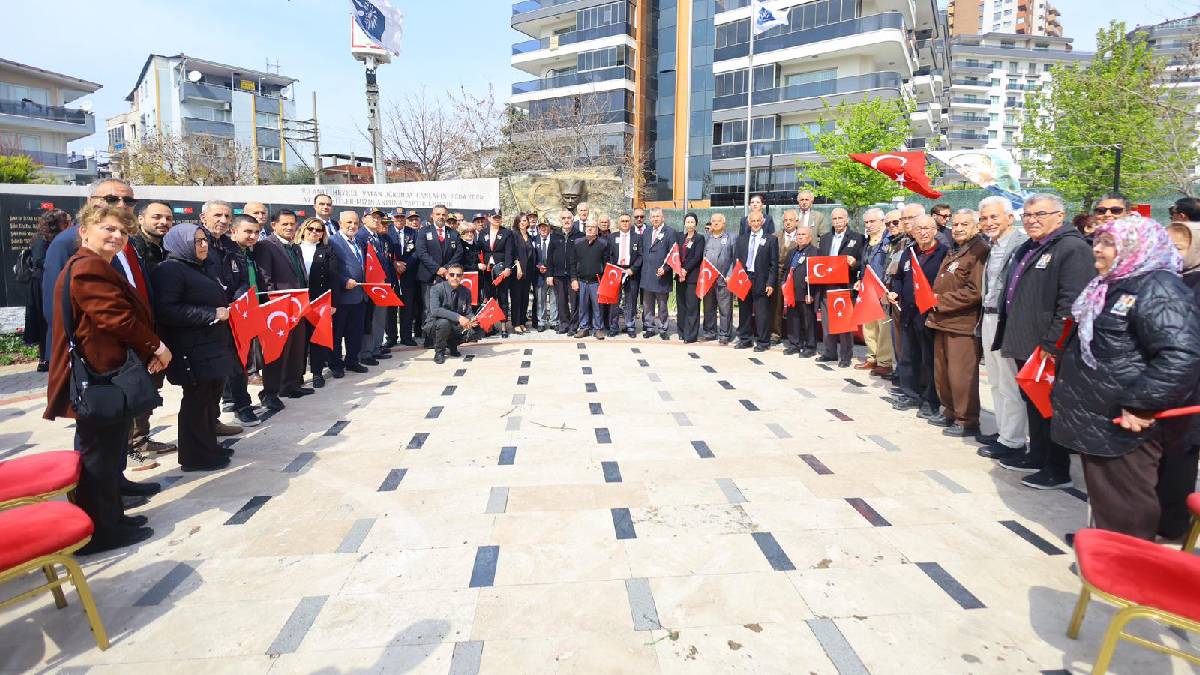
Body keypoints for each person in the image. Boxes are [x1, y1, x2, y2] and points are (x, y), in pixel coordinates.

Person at [1051, 215, 1200, 539]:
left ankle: (1128, 572)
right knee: (1107, 494)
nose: (1098, 249)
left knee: (1127, 500)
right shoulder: (1112, 283)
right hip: (1099, 413)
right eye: (1099, 241)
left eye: (1109, 243)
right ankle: (1105, 546)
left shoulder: (1159, 287)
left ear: (1137, 246)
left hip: (1126, 420)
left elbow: (1181, 355)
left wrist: (1142, 404)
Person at [45, 204, 167, 554]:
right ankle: (98, 532)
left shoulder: (100, 265)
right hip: (98, 376)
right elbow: (116, 319)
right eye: (108, 229)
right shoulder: (87, 268)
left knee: (111, 450)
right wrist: (156, 346)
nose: (116, 236)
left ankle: (113, 516)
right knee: (97, 457)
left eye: (122, 232)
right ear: (84, 230)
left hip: (108, 372)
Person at [993, 194, 1096, 490]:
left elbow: (1072, 304)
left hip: (1050, 347)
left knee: (1050, 408)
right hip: (1027, 341)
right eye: (1027, 215)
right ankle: (1037, 455)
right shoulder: (1031, 246)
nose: (1032, 220)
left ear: (1059, 216)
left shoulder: (1072, 248)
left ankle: (1057, 469)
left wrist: (1052, 345)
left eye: (1040, 214)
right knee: (1033, 404)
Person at [151, 224, 240, 473]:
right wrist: (211, 313)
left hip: (212, 343)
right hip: (191, 347)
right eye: (197, 241)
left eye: (204, 241)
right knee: (197, 401)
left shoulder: (201, 266)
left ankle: (208, 445)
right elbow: (167, 310)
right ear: (181, 243)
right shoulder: (169, 270)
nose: (204, 245)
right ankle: (195, 456)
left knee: (211, 397)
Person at [925, 210, 990, 437]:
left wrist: (939, 300)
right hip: (942, 321)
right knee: (943, 372)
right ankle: (950, 411)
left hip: (962, 323)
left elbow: (975, 291)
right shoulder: (955, 248)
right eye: (956, 224)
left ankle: (967, 420)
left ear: (976, 227)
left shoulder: (979, 250)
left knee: (961, 374)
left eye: (964, 224)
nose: (959, 228)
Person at [977, 196, 1031, 460]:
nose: (989, 223)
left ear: (1010, 217)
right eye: (984, 218)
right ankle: (1003, 431)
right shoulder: (992, 246)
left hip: (1006, 320)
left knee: (1009, 382)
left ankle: (1013, 439)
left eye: (994, 217)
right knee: (996, 381)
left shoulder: (1021, 245)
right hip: (987, 318)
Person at [888, 215, 948, 416]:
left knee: (929, 359)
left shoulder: (943, 253)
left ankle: (930, 399)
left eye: (927, 228)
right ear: (913, 232)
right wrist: (894, 291)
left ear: (935, 231)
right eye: (919, 228)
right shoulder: (909, 251)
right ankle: (910, 394)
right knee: (908, 356)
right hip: (908, 314)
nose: (923, 232)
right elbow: (898, 277)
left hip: (929, 315)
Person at [255, 209, 313, 405]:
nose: (289, 227)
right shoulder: (265, 246)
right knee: (276, 351)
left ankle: (291, 386)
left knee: (296, 348)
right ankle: (270, 393)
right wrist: (273, 306)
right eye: (285, 224)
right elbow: (266, 279)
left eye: (292, 224)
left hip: (298, 306)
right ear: (274, 225)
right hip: (278, 309)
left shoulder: (295, 247)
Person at [815, 208, 863, 367]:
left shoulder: (858, 238)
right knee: (827, 323)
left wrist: (854, 263)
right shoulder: (826, 238)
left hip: (845, 286)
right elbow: (820, 261)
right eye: (834, 218)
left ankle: (845, 357)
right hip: (826, 285)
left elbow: (863, 263)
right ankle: (829, 353)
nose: (837, 221)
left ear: (847, 220)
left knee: (844, 324)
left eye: (840, 218)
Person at [25, 209, 71, 371]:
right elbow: (38, 261)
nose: (70, 224)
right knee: (45, 321)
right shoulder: (41, 239)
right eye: (66, 221)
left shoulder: (58, 238)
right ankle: (45, 359)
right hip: (41, 284)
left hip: (51, 281)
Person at [329, 211, 369, 376]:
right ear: (340, 223)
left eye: (355, 223)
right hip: (342, 296)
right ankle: (336, 365)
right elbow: (329, 269)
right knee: (337, 334)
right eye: (349, 222)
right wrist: (343, 281)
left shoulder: (359, 241)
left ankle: (352, 361)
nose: (353, 226)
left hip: (359, 295)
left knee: (355, 333)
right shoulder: (332, 241)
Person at [296, 217, 334, 388]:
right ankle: (298, 375)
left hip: (319, 301)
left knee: (317, 338)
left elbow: (333, 279)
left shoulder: (327, 250)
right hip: (298, 302)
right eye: (310, 228)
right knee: (299, 340)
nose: (314, 232)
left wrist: (333, 304)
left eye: (318, 230)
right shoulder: (294, 249)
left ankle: (317, 373)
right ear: (303, 229)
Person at [856, 208, 893, 375]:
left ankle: (885, 362)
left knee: (883, 327)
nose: (869, 225)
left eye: (872, 222)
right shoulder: (867, 242)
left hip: (883, 289)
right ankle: (872, 357)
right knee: (868, 326)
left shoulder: (888, 241)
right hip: (868, 290)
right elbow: (865, 265)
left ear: (882, 222)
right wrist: (860, 279)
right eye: (866, 222)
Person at [414, 205, 463, 335]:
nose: (441, 217)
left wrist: (446, 269)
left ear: (446, 216)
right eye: (438, 214)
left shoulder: (453, 233)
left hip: (447, 277)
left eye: (443, 215)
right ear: (432, 215)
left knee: (448, 307)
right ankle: (429, 338)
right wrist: (437, 269)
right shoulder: (423, 232)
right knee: (429, 308)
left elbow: (458, 253)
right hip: (428, 276)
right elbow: (421, 253)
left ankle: (447, 336)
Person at [734, 210, 778, 351]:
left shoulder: (771, 239)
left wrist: (770, 283)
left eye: (758, 221)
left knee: (761, 313)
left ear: (763, 222)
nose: (755, 223)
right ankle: (745, 339)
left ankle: (763, 342)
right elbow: (737, 262)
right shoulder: (741, 239)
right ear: (748, 222)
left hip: (761, 279)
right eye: (753, 221)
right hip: (744, 279)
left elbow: (774, 264)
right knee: (744, 311)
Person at [359, 210, 395, 363]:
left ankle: (376, 347)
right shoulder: (360, 236)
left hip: (382, 284)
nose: (376, 220)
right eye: (372, 217)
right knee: (369, 320)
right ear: (364, 219)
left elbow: (385, 261)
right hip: (369, 285)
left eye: (378, 217)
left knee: (380, 318)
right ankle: (367, 351)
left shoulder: (379, 237)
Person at [424, 264, 477, 364]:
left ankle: (453, 344)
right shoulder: (436, 289)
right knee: (444, 323)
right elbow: (435, 310)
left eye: (458, 275)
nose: (455, 278)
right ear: (447, 275)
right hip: (435, 324)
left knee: (477, 328)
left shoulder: (466, 291)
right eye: (452, 274)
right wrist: (459, 317)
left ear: (462, 277)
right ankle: (439, 351)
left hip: (454, 324)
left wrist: (473, 319)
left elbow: (468, 312)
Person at [640, 208, 677, 339]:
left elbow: (673, 254)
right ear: (650, 219)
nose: (655, 219)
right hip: (647, 274)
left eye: (658, 216)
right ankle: (649, 327)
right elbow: (642, 251)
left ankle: (663, 328)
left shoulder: (670, 232)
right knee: (647, 304)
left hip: (662, 275)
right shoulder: (646, 231)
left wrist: (666, 268)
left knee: (662, 305)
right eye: (653, 217)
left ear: (663, 218)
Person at [783, 225, 819, 356]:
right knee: (793, 319)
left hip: (806, 292)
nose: (800, 237)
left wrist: (813, 293)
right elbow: (786, 270)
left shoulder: (814, 252)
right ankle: (795, 344)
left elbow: (817, 273)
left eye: (803, 235)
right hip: (792, 292)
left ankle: (810, 347)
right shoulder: (792, 252)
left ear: (809, 237)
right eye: (798, 235)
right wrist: (783, 284)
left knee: (808, 321)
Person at [701, 213, 736, 344]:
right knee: (708, 308)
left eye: (718, 221)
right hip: (709, 279)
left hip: (724, 279)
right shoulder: (706, 238)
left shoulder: (732, 237)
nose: (715, 223)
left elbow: (735, 258)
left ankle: (724, 334)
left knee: (725, 309)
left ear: (724, 223)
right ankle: (710, 332)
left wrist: (730, 274)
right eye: (713, 221)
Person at [572, 221, 610, 339]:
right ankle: (584, 328)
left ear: (597, 229)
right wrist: (574, 279)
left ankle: (598, 328)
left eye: (593, 227)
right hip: (582, 281)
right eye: (588, 227)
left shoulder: (603, 244)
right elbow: (572, 263)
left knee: (598, 307)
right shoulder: (578, 243)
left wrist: (604, 279)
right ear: (585, 228)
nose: (590, 229)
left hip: (597, 281)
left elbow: (607, 262)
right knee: (582, 306)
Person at [480, 210, 515, 337]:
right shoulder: (483, 233)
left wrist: (508, 268)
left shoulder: (506, 232)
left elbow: (509, 252)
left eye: (499, 217)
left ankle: (504, 326)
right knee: (490, 298)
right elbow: (480, 250)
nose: (497, 219)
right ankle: (490, 326)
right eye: (494, 217)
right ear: (489, 218)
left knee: (503, 298)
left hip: (501, 270)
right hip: (487, 271)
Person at [607, 213, 642, 337]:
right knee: (614, 301)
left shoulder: (637, 237)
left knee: (630, 301)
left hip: (631, 272)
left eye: (627, 221)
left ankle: (630, 326)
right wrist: (614, 269)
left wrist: (633, 269)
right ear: (618, 223)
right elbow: (609, 255)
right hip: (615, 272)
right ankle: (613, 326)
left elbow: (640, 256)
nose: (625, 223)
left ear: (630, 222)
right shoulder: (612, 237)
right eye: (622, 221)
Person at [392, 211, 423, 346]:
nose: (399, 219)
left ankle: (406, 337)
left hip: (408, 274)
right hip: (392, 274)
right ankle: (391, 338)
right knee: (391, 308)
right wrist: (395, 264)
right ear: (393, 218)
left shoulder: (413, 232)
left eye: (401, 217)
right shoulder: (387, 232)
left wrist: (406, 264)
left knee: (407, 307)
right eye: (397, 217)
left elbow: (418, 251)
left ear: (405, 219)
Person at [676, 213, 706, 343]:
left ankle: (691, 335)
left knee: (692, 306)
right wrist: (679, 270)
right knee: (681, 305)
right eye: (687, 222)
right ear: (684, 223)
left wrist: (685, 269)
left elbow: (697, 257)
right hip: (680, 277)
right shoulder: (681, 238)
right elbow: (676, 255)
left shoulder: (699, 238)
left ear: (696, 224)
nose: (689, 224)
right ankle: (682, 332)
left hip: (692, 277)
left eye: (692, 222)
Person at [773, 210, 800, 343]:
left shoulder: (802, 236)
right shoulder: (775, 236)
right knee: (776, 305)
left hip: (793, 276)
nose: (788, 222)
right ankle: (775, 334)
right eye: (785, 220)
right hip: (777, 274)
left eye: (790, 220)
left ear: (797, 222)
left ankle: (793, 337)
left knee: (793, 307)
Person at [555, 210, 583, 333]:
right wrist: (549, 275)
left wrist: (576, 276)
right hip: (559, 274)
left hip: (574, 275)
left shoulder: (579, 235)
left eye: (569, 218)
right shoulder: (555, 235)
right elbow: (550, 256)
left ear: (573, 220)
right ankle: (564, 324)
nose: (566, 220)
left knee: (574, 301)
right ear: (560, 220)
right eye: (564, 218)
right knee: (561, 301)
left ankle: (573, 325)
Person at [532, 220, 562, 332]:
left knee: (554, 298)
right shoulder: (534, 239)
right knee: (540, 299)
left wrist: (551, 269)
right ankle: (541, 322)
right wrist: (538, 266)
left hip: (553, 273)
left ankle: (554, 321)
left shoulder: (555, 239)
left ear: (549, 228)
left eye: (545, 227)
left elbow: (558, 256)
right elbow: (532, 256)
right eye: (541, 227)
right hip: (539, 274)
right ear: (538, 228)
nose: (543, 229)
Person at [509, 213, 536, 335]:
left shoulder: (529, 236)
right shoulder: (514, 234)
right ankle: (515, 323)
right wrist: (518, 267)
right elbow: (513, 253)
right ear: (517, 222)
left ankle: (522, 322)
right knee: (516, 298)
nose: (523, 222)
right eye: (521, 221)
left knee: (525, 298)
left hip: (529, 271)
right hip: (518, 271)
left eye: (525, 220)